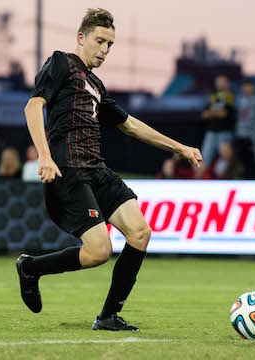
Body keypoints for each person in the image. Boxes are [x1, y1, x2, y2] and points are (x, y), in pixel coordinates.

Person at [19, 8, 202, 331]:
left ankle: (107, 316)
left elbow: (131, 125)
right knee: (99, 251)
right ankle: (31, 267)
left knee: (140, 233)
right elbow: (34, 106)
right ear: (81, 38)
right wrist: (44, 157)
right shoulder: (61, 62)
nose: (104, 50)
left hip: (97, 170)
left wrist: (179, 147)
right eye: (99, 41)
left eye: (110, 44)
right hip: (68, 169)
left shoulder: (97, 86)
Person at [201, 75, 236, 167]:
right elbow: (204, 114)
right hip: (211, 132)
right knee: (203, 160)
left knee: (225, 161)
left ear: (227, 84)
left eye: (222, 82)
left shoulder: (230, 97)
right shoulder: (212, 97)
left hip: (224, 133)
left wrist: (211, 113)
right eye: (218, 82)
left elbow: (224, 113)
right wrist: (216, 113)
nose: (219, 84)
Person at [235, 78, 255, 178]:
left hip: (251, 137)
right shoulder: (239, 101)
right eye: (245, 87)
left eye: (249, 87)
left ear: (253, 88)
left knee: (253, 162)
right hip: (240, 136)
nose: (247, 89)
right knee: (241, 163)